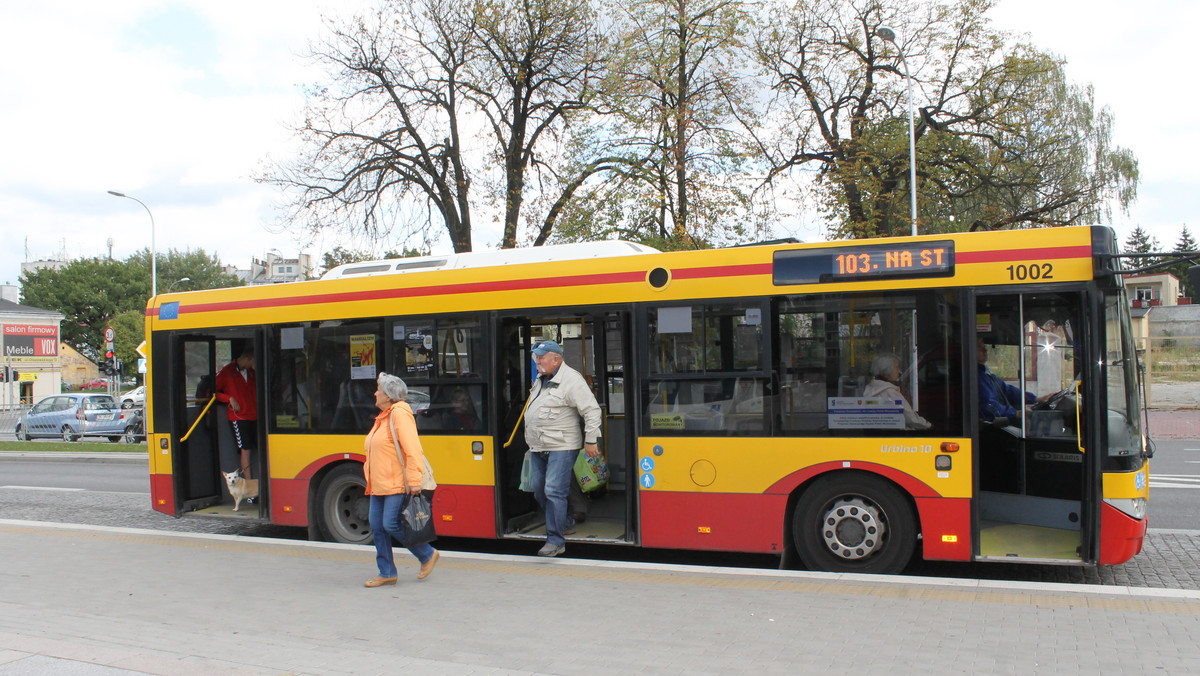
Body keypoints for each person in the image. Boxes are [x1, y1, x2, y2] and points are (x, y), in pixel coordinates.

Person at [524, 340, 602, 557]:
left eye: (541, 357)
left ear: (556, 359)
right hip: (539, 446)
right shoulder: (541, 379)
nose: (537, 361)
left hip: (562, 446)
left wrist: (591, 440)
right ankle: (565, 521)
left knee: (553, 490)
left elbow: (592, 411)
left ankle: (555, 541)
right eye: (536, 357)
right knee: (540, 490)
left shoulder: (571, 380)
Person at [362, 372, 439, 587]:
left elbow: (413, 449)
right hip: (379, 484)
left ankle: (426, 555)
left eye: (378, 389)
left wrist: (414, 481)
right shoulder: (383, 416)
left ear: (388, 395)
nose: (375, 393)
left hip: (396, 482)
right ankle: (386, 572)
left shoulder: (399, 414)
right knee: (377, 527)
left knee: (390, 524)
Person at [977, 337, 1050, 425]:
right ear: (970, 350)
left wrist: (1035, 399)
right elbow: (989, 406)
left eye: (984, 347)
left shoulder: (986, 374)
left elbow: (1008, 390)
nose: (985, 350)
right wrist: (1015, 413)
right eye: (980, 347)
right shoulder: (977, 376)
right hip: (989, 427)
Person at [214, 346, 257, 483]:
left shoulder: (251, 373)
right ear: (249, 359)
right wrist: (229, 398)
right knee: (246, 450)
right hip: (240, 417)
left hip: (255, 415)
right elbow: (212, 391)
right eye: (253, 362)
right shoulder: (226, 372)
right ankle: (249, 484)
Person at [862, 354, 931, 430]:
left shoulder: (870, 389)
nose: (900, 372)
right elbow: (912, 419)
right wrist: (928, 425)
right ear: (887, 370)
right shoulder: (890, 392)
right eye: (897, 367)